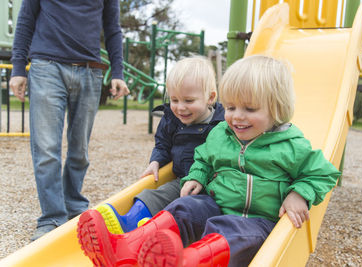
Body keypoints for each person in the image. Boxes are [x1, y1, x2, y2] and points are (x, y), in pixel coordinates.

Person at [76, 55, 341, 267]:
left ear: (277, 109)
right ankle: (124, 248)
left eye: (249, 109)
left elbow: (323, 173)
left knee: (230, 230)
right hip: (217, 204)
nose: (237, 116)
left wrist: (298, 194)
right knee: (186, 207)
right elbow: (203, 158)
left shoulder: (291, 145)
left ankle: (186, 261)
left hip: (257, 222)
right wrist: (197, 176)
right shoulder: (221, 134)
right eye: (232, 107)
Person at [9, 0, 129, 241]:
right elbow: (26, 19)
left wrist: (118, 72)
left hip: (90, 69)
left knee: (79, 150)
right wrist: (18, 68)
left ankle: (73, 205)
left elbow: (112, 28)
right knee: (46, 150)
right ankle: (52, 216)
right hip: (47, 67)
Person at [93, 56, 225, 235]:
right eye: (175, 100)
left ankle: (151, 231)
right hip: (182, 181)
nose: (180, 107)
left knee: (184, 206)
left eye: (188, 101)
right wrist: (155, 161)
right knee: (152, 195)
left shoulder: (223, 122)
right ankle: (128, 223)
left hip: (215, 187)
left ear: (210, 98)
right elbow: (162, 144)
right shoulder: (171, 119)